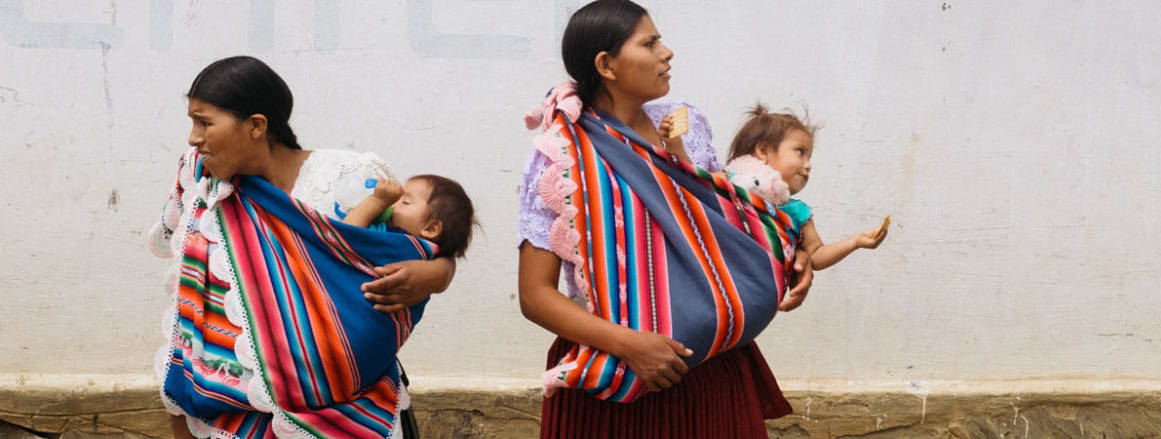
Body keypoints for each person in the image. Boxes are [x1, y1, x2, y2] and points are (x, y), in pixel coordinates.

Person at [516, 2, 814, 437]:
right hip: (618, 374)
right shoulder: (562, 157)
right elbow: (534, 295)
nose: (667, 52)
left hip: (711, 367)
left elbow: (730, 221)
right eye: (649, 43)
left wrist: (796, 254)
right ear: (607, 65)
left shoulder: (688, 129)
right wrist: (630, 344)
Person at [148, 56, 455, 439]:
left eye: (205, 122)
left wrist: (439, 272)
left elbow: (416, 248)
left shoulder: (351, 179)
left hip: (351, 410)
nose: (194, 137)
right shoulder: (205, 186)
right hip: (230, 418)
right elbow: (191, 314)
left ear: (256, 126)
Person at [661, 104, 888, 271]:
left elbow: (817, 255)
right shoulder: (733, 182)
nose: (808, 166)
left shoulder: (798, 212)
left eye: (810, 157)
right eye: (800, 152)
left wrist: (855, 242)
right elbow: (691, 180)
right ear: (764, 151)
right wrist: (674, 144)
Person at [342, 175, 476, 259]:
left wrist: (376, 202)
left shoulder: (403, 246)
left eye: (405, 202)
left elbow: (342, 236)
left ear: (430, 228)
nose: (391, 203)